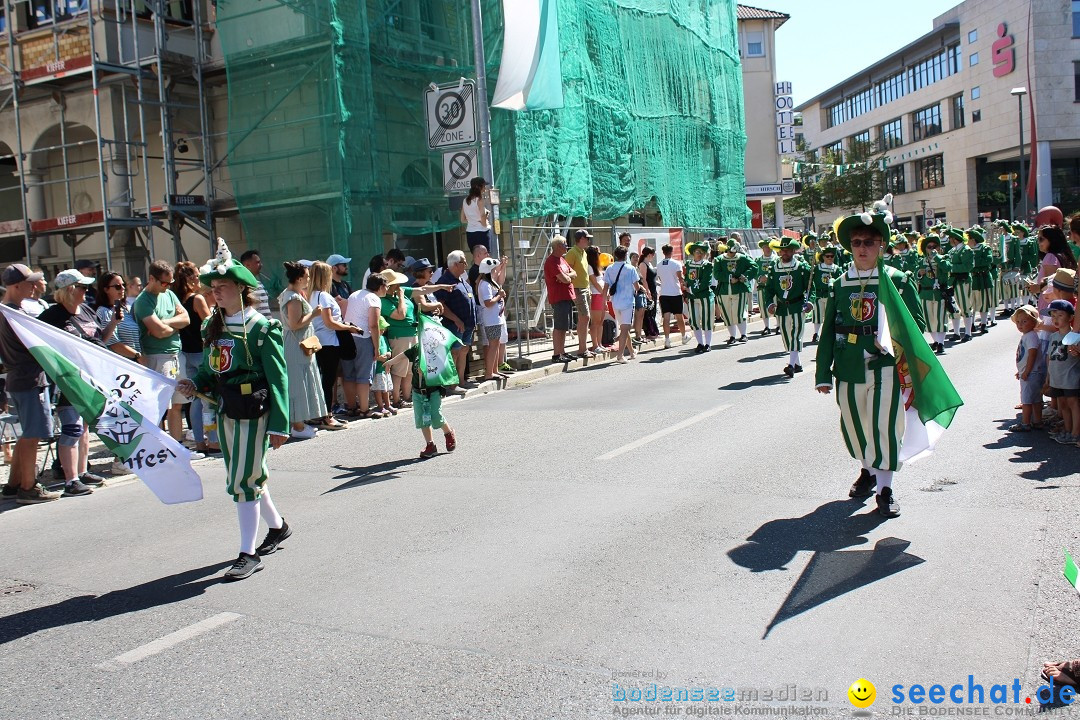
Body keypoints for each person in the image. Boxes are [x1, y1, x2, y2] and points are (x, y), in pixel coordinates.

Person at [179, 240, 291, 581]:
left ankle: (248, 552)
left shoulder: (261, 328)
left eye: (223, 288)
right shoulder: (211, 326)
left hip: (253, 410)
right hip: (226, 409)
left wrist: (280, 424)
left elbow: (278, 378)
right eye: (213, 288)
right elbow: (212, 369)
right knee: (248, 474)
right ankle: (279, 527)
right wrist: (195, 384)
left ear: (242, 289)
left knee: (244, 479)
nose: (216, 294)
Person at [815, 204, 928, 519]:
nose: (862, 248)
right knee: (855, 427)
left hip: (886, 367)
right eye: (856, 243)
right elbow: (828, 331)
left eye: (869, 242)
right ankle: (867, 470)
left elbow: (916, 326)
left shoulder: (897, 279)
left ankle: (885, 491)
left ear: (881, 245)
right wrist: (822, 372)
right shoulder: (839, 283)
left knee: (884, 426)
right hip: (848, 367)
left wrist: (896, 344)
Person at [37, 269, 116, 496]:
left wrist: (113, 324)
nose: (86, 291)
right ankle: (70, 480)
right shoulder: (52, 316)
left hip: (90, 378)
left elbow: (99, 340)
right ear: (70, 290)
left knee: (83, 429)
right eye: (82, 287)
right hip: (67, 380)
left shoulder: (87, 311)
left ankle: (81, 472)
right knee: (71, 428)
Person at [133, 260, 191, 443]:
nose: (167, 286)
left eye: (170, 283)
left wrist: (165, 322)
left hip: (176, 354)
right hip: (156, 357)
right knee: (159, 406)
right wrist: (173, 325)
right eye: (164, 283)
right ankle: (161, 447)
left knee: (177, 404)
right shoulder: (142, 301)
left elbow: (186, 319)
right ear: (152, 279)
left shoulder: (170, 295)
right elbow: (157, 333)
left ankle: (177, 445)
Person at [278, 261, 327, 438]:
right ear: (299, 278)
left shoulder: (291, 294)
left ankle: (299, 422)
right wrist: (313, 314)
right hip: (296, 345)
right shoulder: (293, 297)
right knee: (297, 384)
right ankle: (297, 426)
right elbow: (294, 324)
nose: (308, 279)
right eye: (306, 276)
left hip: (299, 344)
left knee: (301, 382)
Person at [173, 261, 216, 453]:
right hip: (201, 353)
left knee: (195, 399)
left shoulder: (176, 299)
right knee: (209, 398)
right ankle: (214, 440)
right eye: (197, 276)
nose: (200, 280)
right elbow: (209, 326)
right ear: (191, 279)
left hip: (185, 353)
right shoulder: (197, 299)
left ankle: (199, 441)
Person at [309, 261, 355, 426]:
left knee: (322, 380)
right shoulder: (324, 296)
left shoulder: (309, 295)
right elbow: (330, 323)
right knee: (328, 381)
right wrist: (350, 328)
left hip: (316, 340)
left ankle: (320, 414)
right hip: (329, 341)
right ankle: (327, 416)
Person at [402, 329, 457, 459]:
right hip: (417, 391)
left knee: (436, 417)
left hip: (433, 391)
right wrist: (390, 362)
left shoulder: (436, 351)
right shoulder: (416, 348)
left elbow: (440, 369)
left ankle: (448, 433)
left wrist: (425, 371)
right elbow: (404, 355)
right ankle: (430, 445)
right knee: (422, 419)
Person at [765, 237, 813, 378]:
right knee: (786, 337)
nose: (784, 252)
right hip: (781, 307)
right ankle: (797, 364)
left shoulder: (802, 268)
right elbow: (769, 290)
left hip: (798, 305)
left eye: (787, 250)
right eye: (782, 250)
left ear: (793, 251)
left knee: (796, 334)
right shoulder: (774, 268)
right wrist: (770, 303)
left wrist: (810, 301)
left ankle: (791, 366)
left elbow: (811, 288)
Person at [343, 273, 388, 418]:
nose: (387, 289)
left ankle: (351, 407)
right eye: (386, 286)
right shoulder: (374, 298)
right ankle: (364, 409)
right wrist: (377, 347)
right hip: (363, 337)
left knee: (349, 375)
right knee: (363, 376)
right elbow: (373, 325)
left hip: (347, 336)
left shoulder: (355, 294)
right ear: (381, 286)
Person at [434, 250, 477, 387]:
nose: (466, 264)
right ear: (456, 264)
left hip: (468, 324)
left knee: (463, 351)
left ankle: (461, 380)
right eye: (463, 262)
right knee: (455, 352)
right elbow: (441, 304)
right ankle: (452, 384)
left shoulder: (462, 279)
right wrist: (456, 319)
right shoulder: (445, 281)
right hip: (454, 325)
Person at [379, 267, 417, 408]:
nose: (398, 286)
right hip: (399, 337)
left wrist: (441, 287)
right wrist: (401, 297)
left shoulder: (399, 294)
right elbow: (400, 315)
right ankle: (396, 399)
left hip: (411, 334)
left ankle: (406, 397)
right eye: (396, 284)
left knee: (409, 370)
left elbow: (421, 291)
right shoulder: (384, 301)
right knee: (399, 369)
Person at [1046, 300, 1080, 445]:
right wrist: (1048, 377)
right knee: (1063, 404)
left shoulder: (1075, 336)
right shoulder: (1053, 337)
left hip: (1070, 377)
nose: (1056, 319)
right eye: (1053, 316)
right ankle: (1067, 429)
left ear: (1070, 317)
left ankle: (1075, 432)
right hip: (1056, 377)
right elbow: (1049, 358)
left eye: (1060, 315)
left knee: (1073, 403)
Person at [603, 245, 642, 363]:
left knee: (624, 327)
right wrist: (640, 288)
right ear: (626, 255)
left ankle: (631, 351)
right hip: (628, 301)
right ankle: (620, 355)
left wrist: (604, 301)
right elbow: (636, 286)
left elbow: (605, 287)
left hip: (615, 301)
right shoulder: (630, 268)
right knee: (625, 328)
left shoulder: (609, 268)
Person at [1010, 305, 1045, 432]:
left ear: (1034, 322)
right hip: (1031, 372)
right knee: (1035, 398)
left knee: (1026, 400)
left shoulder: (1030, 336)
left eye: (1024, 321)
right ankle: (1037, 421)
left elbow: (1032, 354)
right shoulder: (1028, 335)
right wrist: (1021, 370)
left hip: (1031, 373)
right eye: (1018, 322)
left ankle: (1025, 423)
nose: (1020, 324)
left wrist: (1026, 371)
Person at [713, 240, 755, 345]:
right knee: (727, 314)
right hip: (724, 290)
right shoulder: (719, 260)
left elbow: (754, 266)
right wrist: (729, 279)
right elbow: (717, 274)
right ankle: (732, 336)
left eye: (734, 252)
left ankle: (743, 334)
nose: (733, 254)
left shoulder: (742, 258)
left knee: (739, 312)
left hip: (739, 289)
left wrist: (743, 277)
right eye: (731, 252)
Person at [544, 236, 577, 363]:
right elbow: (566, 279)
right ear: (558, 246)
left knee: (564, 326)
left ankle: (562, 352)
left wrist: (566, 276)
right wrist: (566, 277)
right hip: (558, 297)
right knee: (559, 326)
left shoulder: (562, 259)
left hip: (567, 296)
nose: (567, 246)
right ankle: (556, 354)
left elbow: (574, 273)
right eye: (564, 244)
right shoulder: (551, 261)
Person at [94, 272, 141, 362]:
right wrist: (138, 356)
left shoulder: (125, 309)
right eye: (118, 286)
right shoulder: (103, 311)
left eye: (123, 285)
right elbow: (113, 344)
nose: (123, 288)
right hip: (123, 364)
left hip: (136, 361)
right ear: (106, 289)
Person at [916, 234, 951, 355]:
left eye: (934, 246)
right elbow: (917, 276)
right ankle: (935, 340)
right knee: (929, 319)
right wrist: (919, 273)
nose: (931, 249)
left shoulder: (943, 257)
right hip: (925, 293)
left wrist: (937, 257)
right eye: (929, 247)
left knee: (940, 318)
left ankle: (941, 343)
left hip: (939, 293)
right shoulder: (922, 261)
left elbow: (947, 268)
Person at [564, 229, 596, 358]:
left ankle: (583, 348)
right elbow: (566, 271)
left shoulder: (583, 253)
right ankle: (582, 349)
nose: (588, 240)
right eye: (587, 238)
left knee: (584, 318)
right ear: (581, 239)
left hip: (585, 288)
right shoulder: (572, 253)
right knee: (585, 317)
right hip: (577, 289)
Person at [476, 257, 508, 380]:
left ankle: (494, 370)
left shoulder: (489, 283)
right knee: (493, 345)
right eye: (494, 270)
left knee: (496, 344)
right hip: (491, 319)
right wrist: (499, 296)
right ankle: (489, 373)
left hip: (496, 318)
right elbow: (488, 302)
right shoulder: (484, 284)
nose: (496, 271)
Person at [654, 243, 689, 349]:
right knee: (679, 316)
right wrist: (685, 287)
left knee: (666, 317)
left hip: (664, 293)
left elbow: (660, 278)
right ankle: (683, 336)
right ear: (671, 251)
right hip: (675, 292)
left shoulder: (659, 265)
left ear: (663, 252)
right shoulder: (676, 263)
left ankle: (667, 340)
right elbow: (680, 278)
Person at [683, 241, 714, 353]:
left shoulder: (707, 265)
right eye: (697, 252)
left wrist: (690, 289)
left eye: (701, 252)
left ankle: (708, 344)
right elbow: (687, 277)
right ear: (693, 253)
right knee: (694, 321)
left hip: (704, 296)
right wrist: (686, 283)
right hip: (692, 297)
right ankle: (700, 343)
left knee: (706, 320)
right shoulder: (688, 264)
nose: (699, 254)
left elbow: (706, 282)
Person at [946, 227, 974, 341]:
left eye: (950, 238)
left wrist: (951, 268)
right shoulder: (952, 251)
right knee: (953, 308)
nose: (949, 240)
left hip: (963, 281)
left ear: (955, 239)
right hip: (953, 281)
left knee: (965, 306)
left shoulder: (966, 250)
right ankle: (956, 333)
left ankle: (968, 333)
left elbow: (968, 266)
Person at [967, 226, 994, 334]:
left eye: (968, 239)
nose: (967, 241)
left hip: (983, 278)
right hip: (972, 278)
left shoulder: (984, 248)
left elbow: (988, 260)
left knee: (983, 302)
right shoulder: (967, 250)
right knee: (971, 302)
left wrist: (974, 262)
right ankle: (971, 324)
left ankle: (983, 324)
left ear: (973, 239)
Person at [585, 246, 609, 353]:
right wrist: (604, 293)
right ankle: (595, 345)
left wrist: (605, 295)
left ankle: (599, 344)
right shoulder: (589, 266)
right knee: (595, 322)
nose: (600, 255)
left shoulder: (598, 267)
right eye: (597, 253)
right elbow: (594, 282)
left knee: (601, 322)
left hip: (602, 296)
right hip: (596, 295)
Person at [635, 246, 659, 342]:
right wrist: (647, 291)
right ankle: (649, 332)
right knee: (648, 313)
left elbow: (653, 278)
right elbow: (644, 279)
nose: (653, 256)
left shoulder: (650, 264)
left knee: (652, 312)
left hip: (653, 290)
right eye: (653, 255)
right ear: (649, 254)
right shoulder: (643, 264)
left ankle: (653, 331)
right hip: (648, 291)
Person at [461, 177, 492, 251]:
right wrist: (485, 223)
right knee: (485, 258)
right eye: (484, 186)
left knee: (476, 257)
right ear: (479, 187)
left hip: (470, 234)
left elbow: (462, 219)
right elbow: (482, 216)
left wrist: (473, 220)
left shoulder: (465, 201)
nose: (485, 188)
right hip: (482, 233)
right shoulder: (479, 200)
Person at [239, 250, 272, 319]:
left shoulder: (259, 284)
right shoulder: (242, 286)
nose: (261, 265)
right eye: (257, 262)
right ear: (247, 265)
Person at [755, 239, 778, 335]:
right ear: (762, 249)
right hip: (762, 287)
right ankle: (767, 327)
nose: (767, 249)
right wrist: (760, 278)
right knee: (763, 307)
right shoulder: (758, 260)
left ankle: (778, 325)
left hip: (775, 287)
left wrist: (770, 277)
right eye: (765, 247)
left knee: (777, 305)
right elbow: (755, 272)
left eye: (769, 247)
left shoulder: (777, 259)